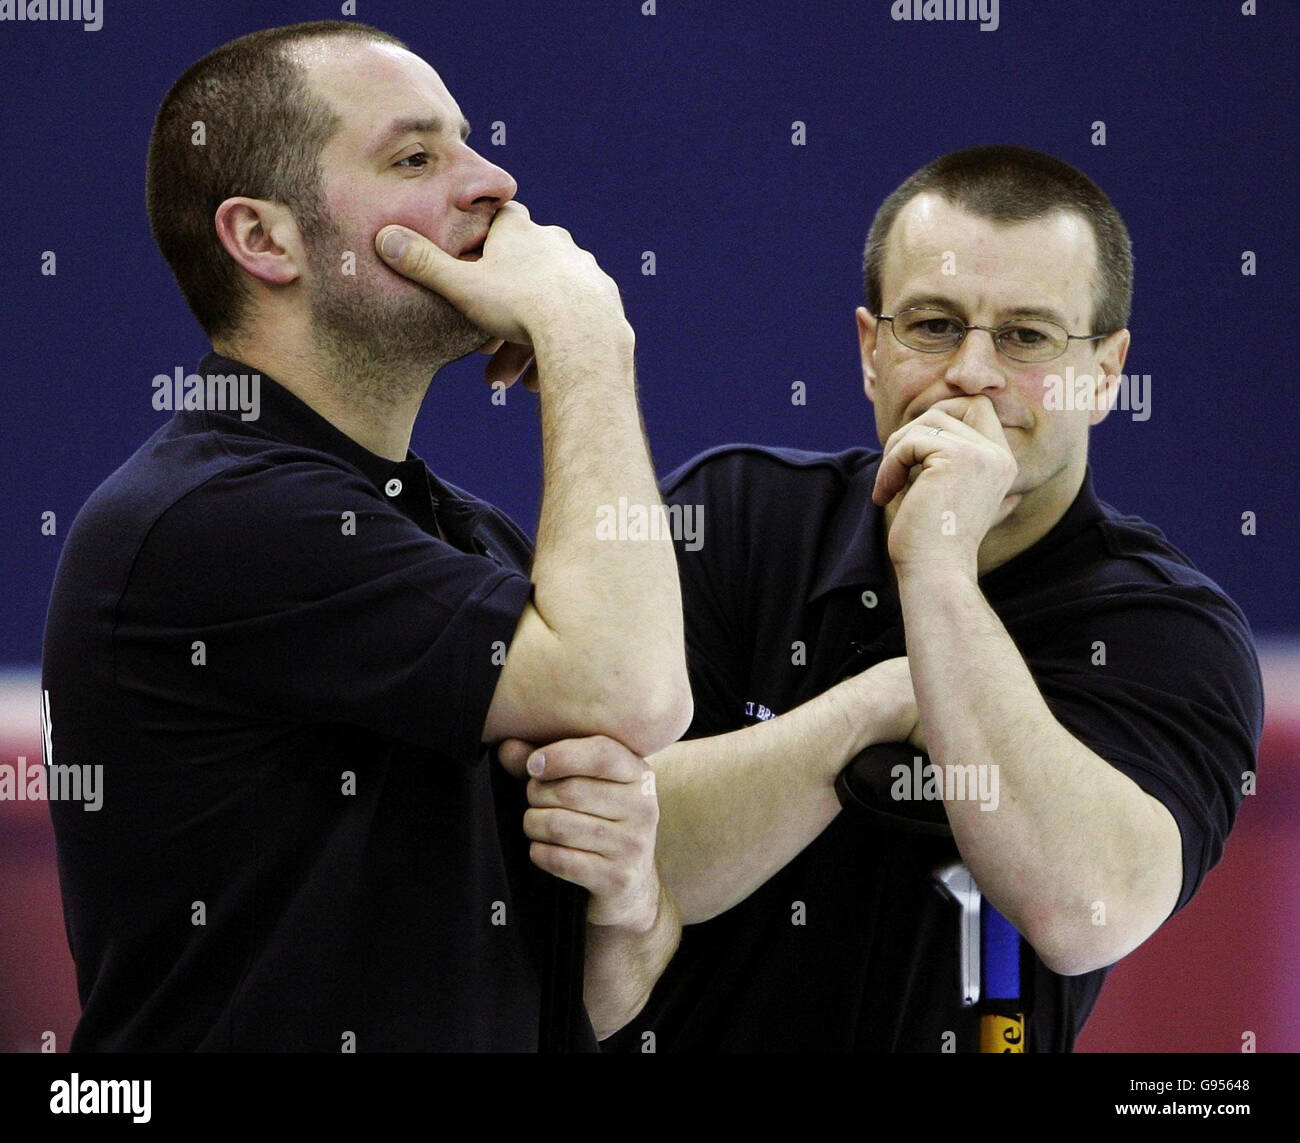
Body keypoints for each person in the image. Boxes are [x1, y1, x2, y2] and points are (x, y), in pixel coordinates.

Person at [41, 20, 691, 1052]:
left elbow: (582, 1007)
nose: (495, 184)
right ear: (264, 240)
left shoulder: (464, 537)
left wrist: (623, 903)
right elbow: (635, 691)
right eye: (415, 157)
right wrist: (584, 339)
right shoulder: (209, 520)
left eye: (469, 145)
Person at [595, 145, 1264, 1052]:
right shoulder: (734, 518)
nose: (973, 372)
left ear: (1105, 374)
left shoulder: (1166, 630)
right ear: (872, 349)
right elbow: (615, 859)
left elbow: (1086, 910)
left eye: (1027, 336)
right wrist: (881, 703)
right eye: (936, 326)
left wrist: (939, 567)